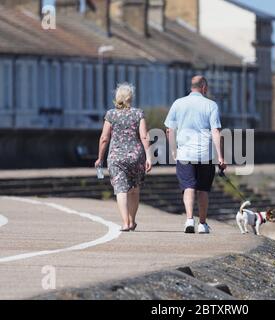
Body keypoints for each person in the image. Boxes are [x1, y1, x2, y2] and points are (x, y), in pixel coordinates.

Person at [164, 76, 226, 234]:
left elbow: (170, 129)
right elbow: (216, 131)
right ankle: (202, 224)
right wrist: (221, 157)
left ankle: (189, 219)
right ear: (204, 87)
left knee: (188, 186)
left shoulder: (178, 103)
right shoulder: (211, 105)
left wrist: (173, 150)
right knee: (203, 189)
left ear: (191, 87)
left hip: (184, 153)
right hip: (205, 153)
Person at [95, 83, 152, 232]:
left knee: (120, 190)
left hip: (116, 157)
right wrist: (149, 157)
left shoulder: (111, 115)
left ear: (117, 98)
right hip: (136, 156)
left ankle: (125, 222)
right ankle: (132, 221)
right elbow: (144, 136)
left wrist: (100, 157)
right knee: (134, 190)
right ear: (130, 98)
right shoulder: (138, 113)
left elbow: (104, 138)